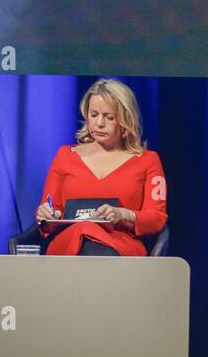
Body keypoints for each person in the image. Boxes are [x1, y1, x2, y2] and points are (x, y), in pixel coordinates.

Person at [36, 79, 167, 256]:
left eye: (109, 117)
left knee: (92, 239)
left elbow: (156, 218)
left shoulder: (147, 160)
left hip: (120, 245)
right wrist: (46, 214)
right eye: (93, 114)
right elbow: (51, 213)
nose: (99, 123)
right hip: (69, 244)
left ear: (125, 119)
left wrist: (123, 214)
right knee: (84, 228)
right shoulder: (65, 156)